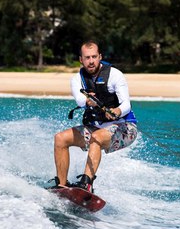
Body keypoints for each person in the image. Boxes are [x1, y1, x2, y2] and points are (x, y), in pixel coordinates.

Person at [48, 40, 138, 192]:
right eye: (87, 58)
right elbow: (80, 100)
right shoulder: (77, 79)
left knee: (97, 136)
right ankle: (62, 185)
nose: (91, 61)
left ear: (100, 57)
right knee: (60, 139)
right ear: (81, 60)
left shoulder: (115, 75)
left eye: (94, 57)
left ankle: (87, 184)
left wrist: (116, 111)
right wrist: (88, 101)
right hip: (96, 126)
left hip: (125, 129)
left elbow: (126, 105)